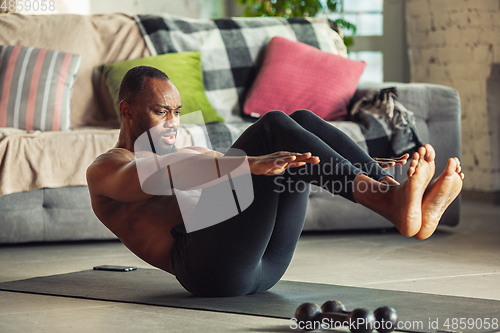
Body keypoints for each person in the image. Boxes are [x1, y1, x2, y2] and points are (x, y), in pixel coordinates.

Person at [86, 66, 464, 297]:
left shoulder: (183, 151)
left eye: (177, 112)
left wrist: (357, 162)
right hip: (208, 270)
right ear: (127, 110)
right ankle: (388, 200)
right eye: (160, 111)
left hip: (265, 264)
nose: (173, 122)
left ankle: (391, 190)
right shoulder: (107, 167)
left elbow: (213, 164)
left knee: (298, 122)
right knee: (272, 128)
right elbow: (152, 179)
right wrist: (249, 163)